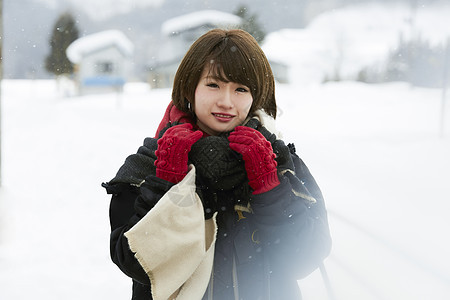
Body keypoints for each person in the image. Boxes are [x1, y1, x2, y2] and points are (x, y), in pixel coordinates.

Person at [103, 28, 331, 300]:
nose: (226, 102)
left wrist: (270, 188)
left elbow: (306, 258)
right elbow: (135, 263)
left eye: (241, 89)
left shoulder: (281, 162)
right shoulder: (149, 163)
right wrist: (167, 184)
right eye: (213, 84)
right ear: (191, 87)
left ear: (255, 96)